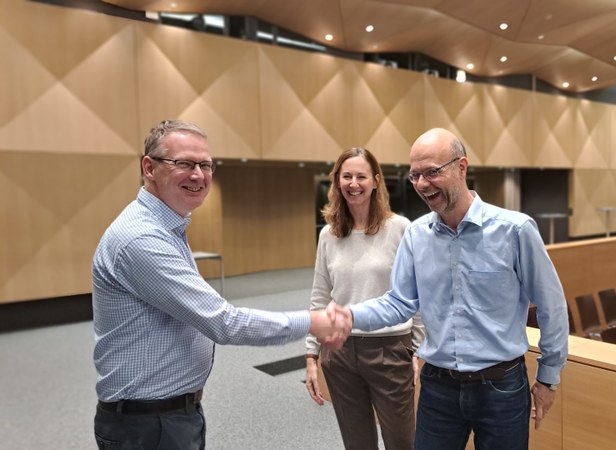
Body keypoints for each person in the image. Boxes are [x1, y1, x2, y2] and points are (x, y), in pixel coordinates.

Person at [91, 119, 348, 450]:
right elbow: (224, 322)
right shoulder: (141, 239)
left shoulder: (166, 227)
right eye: (185, 163)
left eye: (205, 165)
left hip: (165, 416)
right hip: (148, 425)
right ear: (149, 168)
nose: (198, 175)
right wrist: (313, 322)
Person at [331, 128, 570, 450]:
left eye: (431, 172)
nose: (421, 184)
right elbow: (399, 303)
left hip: (501, 386)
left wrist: (548, 378)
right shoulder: (416, 235)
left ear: (462, 167)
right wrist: (347, 316)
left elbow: (551, 306)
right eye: (415, 175)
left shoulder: (515, 230)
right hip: (438, 387)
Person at [305, 147, 424, 450]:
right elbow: (320, 297)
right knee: (357, 443)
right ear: (337, 181)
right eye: (347, 176)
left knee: (402, 441)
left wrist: (418, 349)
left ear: (376, 181)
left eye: (361, 176)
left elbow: (417, 295)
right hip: (340, 352)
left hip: (390, 349)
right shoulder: (329, 234)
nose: (354, 183)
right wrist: (311, 355)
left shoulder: (400, 228)